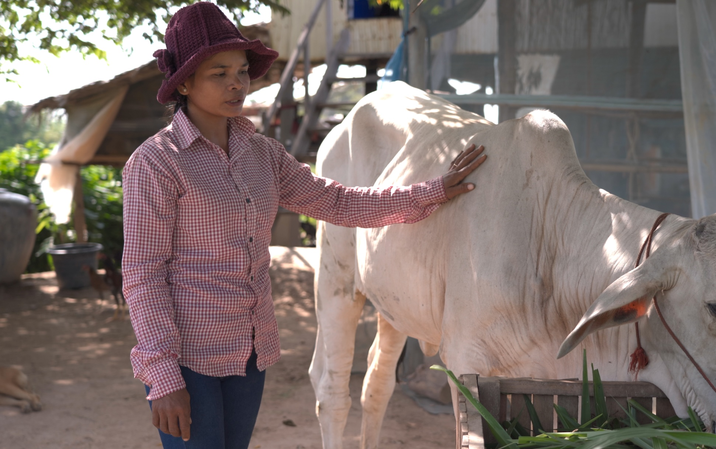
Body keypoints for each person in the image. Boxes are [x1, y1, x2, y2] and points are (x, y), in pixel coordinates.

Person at [121, 2, 487, 448]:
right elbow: (143, 274)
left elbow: (340, 202)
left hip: (249, 352)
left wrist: (431, 191)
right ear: (184, 83)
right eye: (219, 73)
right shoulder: (156, 163)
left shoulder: (263, 155)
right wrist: (162, 375)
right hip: (187, 360)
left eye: (242, 71)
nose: (237, 83)